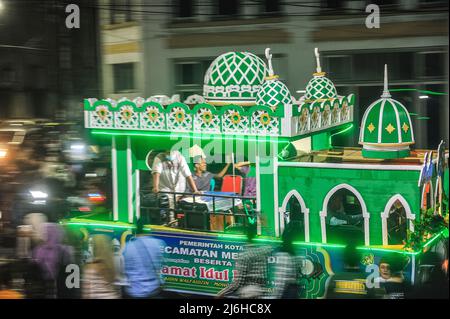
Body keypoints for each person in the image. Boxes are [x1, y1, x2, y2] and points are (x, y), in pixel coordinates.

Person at [217, 224, 272, 299]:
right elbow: (270, 244)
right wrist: (266, 226)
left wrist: (222, 292)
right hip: (262, 292)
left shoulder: (244, 255)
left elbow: (237, 283)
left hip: (248, 294)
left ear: (246, 237)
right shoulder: (263, 251)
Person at [122, 219, 165, 299]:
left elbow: (124, 270)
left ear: (135, 230)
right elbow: (163, 263)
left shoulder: (128, 248)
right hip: (154, 289)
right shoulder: (158, 243)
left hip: (135, 291)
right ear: (147, 229)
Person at [152, 150, 199, 222]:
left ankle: (179, 222)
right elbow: (156, 173)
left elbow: (188, 175)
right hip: (165, 188)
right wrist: (155, 187)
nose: (168, 154)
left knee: (180, 207)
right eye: (166, 152)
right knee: (169, 208)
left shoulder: (180, 157)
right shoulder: (159, 158)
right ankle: (171, 223)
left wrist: (195, 190)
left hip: (179, 188)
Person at [32, 223, 74, 298]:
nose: (48, 235)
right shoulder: (39, 250)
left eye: (50, 233)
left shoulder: (65, 250)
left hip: (57, 289)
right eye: (47, 233)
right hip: (46, 289)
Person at [82, 235, 121, 299]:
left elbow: (87, 294)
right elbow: (117, 288)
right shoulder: (111, 265)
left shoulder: (90, 268)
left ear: (95, 248)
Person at [270, 225, 303, 299]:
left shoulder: (283, 255)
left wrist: (275, 296)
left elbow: (281, 280)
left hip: (285, 293)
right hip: (293, 293)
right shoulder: (295, 254)